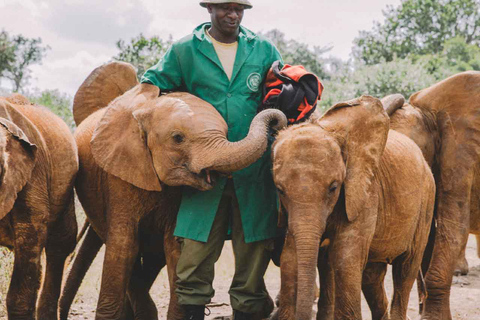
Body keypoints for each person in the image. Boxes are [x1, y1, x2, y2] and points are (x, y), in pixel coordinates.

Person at [141, 1, 283, 319]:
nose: (232, 15)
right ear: (209, 9)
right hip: (203, 172)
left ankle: (247, 310)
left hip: (254, 170)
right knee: (193, 253)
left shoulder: (263, 50)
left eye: (238, 9)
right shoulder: (185, 51)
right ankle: (191, 310)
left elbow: (280, 93)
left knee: (254, 253)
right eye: (224, 8)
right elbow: (151, 88)